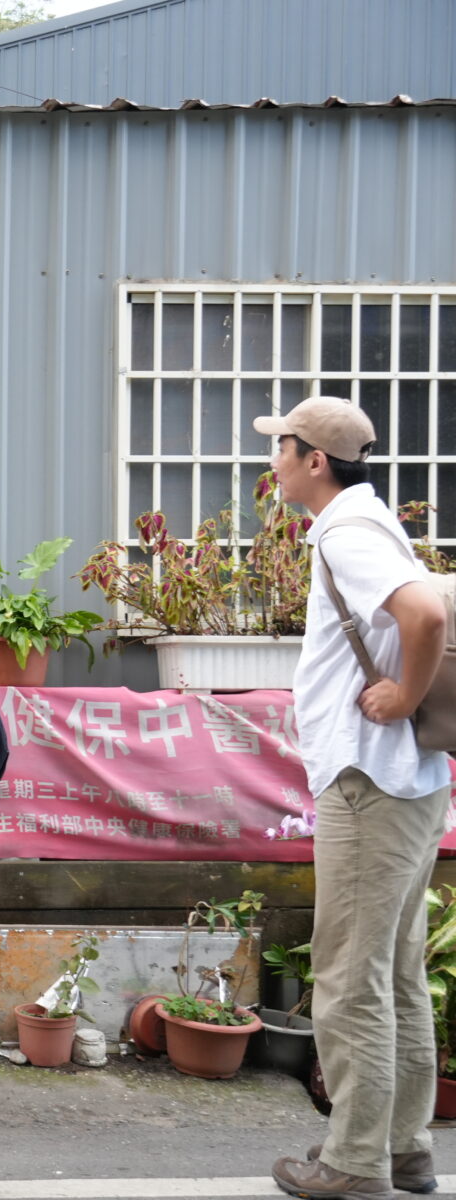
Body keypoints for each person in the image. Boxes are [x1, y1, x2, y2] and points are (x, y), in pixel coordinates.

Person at [254, 397, 452, 1200]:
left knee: (346, 973)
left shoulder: (345, 531)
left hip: (369, 783)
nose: (273, 460)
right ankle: (401, 1148)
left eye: (282, 446)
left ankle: (355, 1161)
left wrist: (404, 695)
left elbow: (425, 612)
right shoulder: (369, 523)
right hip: (405, 781)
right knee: (392, 971)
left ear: (315, 460)